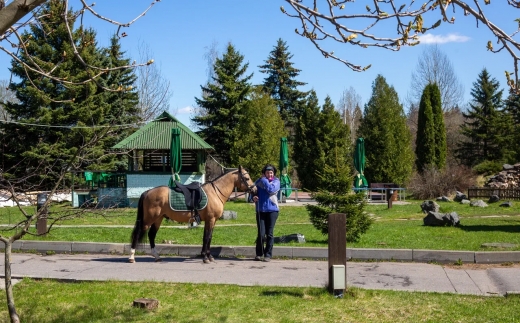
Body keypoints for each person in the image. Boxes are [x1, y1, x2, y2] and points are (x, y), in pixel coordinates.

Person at [252, 164, 280, 262]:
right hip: (260, 210)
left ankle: (268, 255)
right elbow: (252, 192)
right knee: (261, 233)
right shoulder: (258, 182)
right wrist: (253, 197)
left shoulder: (276, 182)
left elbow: (270, 190)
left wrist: (264, 180)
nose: (269, 174)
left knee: (269, 234)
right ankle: (259, 254)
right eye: (267, 172)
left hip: (272, 211)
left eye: (271, 172)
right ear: (264, 173)